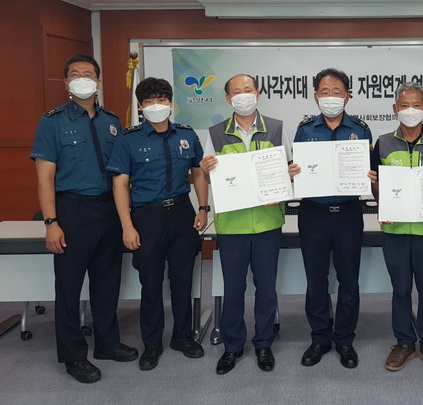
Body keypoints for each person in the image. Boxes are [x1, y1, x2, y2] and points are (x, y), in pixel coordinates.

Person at [30, 54, 138, 383]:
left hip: (109, 211)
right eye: (75, 74)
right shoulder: (52, 122)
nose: (82, 79)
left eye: (88, 74)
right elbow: (44, 178)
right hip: (72, 211)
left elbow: (121, 173)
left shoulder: (112, 121)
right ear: (66, 82)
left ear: (98, 82)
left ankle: (106, 342)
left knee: (107, 282)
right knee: (69, 287)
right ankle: (73, 355)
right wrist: (51, 222)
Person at [107, 77, 209, 371]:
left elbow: (198, 173)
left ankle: (182, 337)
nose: (156, 105)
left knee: (182, 280)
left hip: (182, 212)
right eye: (149, 101)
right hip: (146, 216)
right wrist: (127, 225)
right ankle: (151, 343)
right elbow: (120, 184)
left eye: (162, 99)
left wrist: (203, 208)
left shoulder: (186, 135)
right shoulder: (128, 139)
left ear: (171, 103)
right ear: (140, 106)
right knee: (150, 283)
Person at [200, 74, 292, 375]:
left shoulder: (276, 128)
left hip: (267, 223)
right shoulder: (215, 133)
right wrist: (205, 169)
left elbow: (287, 169)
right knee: (234, 289)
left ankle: (264, 343)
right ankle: (233, 346)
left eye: (248, 90)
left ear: (258, 93)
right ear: (228, 99)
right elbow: (206, 176)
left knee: (266, 288)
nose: (243, 95)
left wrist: (288, 176)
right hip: (232, 225)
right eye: (236, 92)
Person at [289, 68, 375, 369]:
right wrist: (292, 173)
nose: (330, 97)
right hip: (313, 214)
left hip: (348, 214)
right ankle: (320, 338)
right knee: (316, 280)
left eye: (336, 91)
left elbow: (371, 171)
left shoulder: (361, 129)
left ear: (347, 96)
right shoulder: (305, 129)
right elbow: (296, 168)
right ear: (315, 96)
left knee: (349, 279)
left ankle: (345, 340)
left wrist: (370, 177)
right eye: (324, 92)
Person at [370, 82, 423, 376]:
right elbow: (376, 188)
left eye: (416, 105)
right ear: (395, 109)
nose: (410, 110)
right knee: (401, 290)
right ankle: (404, 342)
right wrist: (382, 198)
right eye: (404, 106)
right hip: (396, 231)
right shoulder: (382, 143)